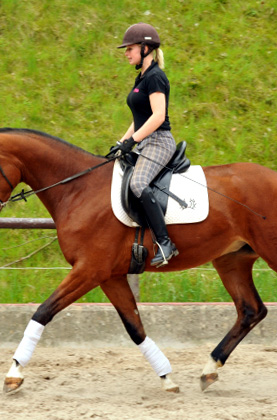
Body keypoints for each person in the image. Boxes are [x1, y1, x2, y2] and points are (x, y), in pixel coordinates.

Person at [112, 22, 178, 267]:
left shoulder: (156, 77)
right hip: (144, 140)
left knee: (139, 183)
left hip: (159, 141)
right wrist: (121, 143)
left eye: (130, 48)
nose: (126, 53)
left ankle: (165, 242)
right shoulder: (141, 77)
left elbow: (158, 116)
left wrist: (133, 141)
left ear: (146, 48)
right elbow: (139, 118)